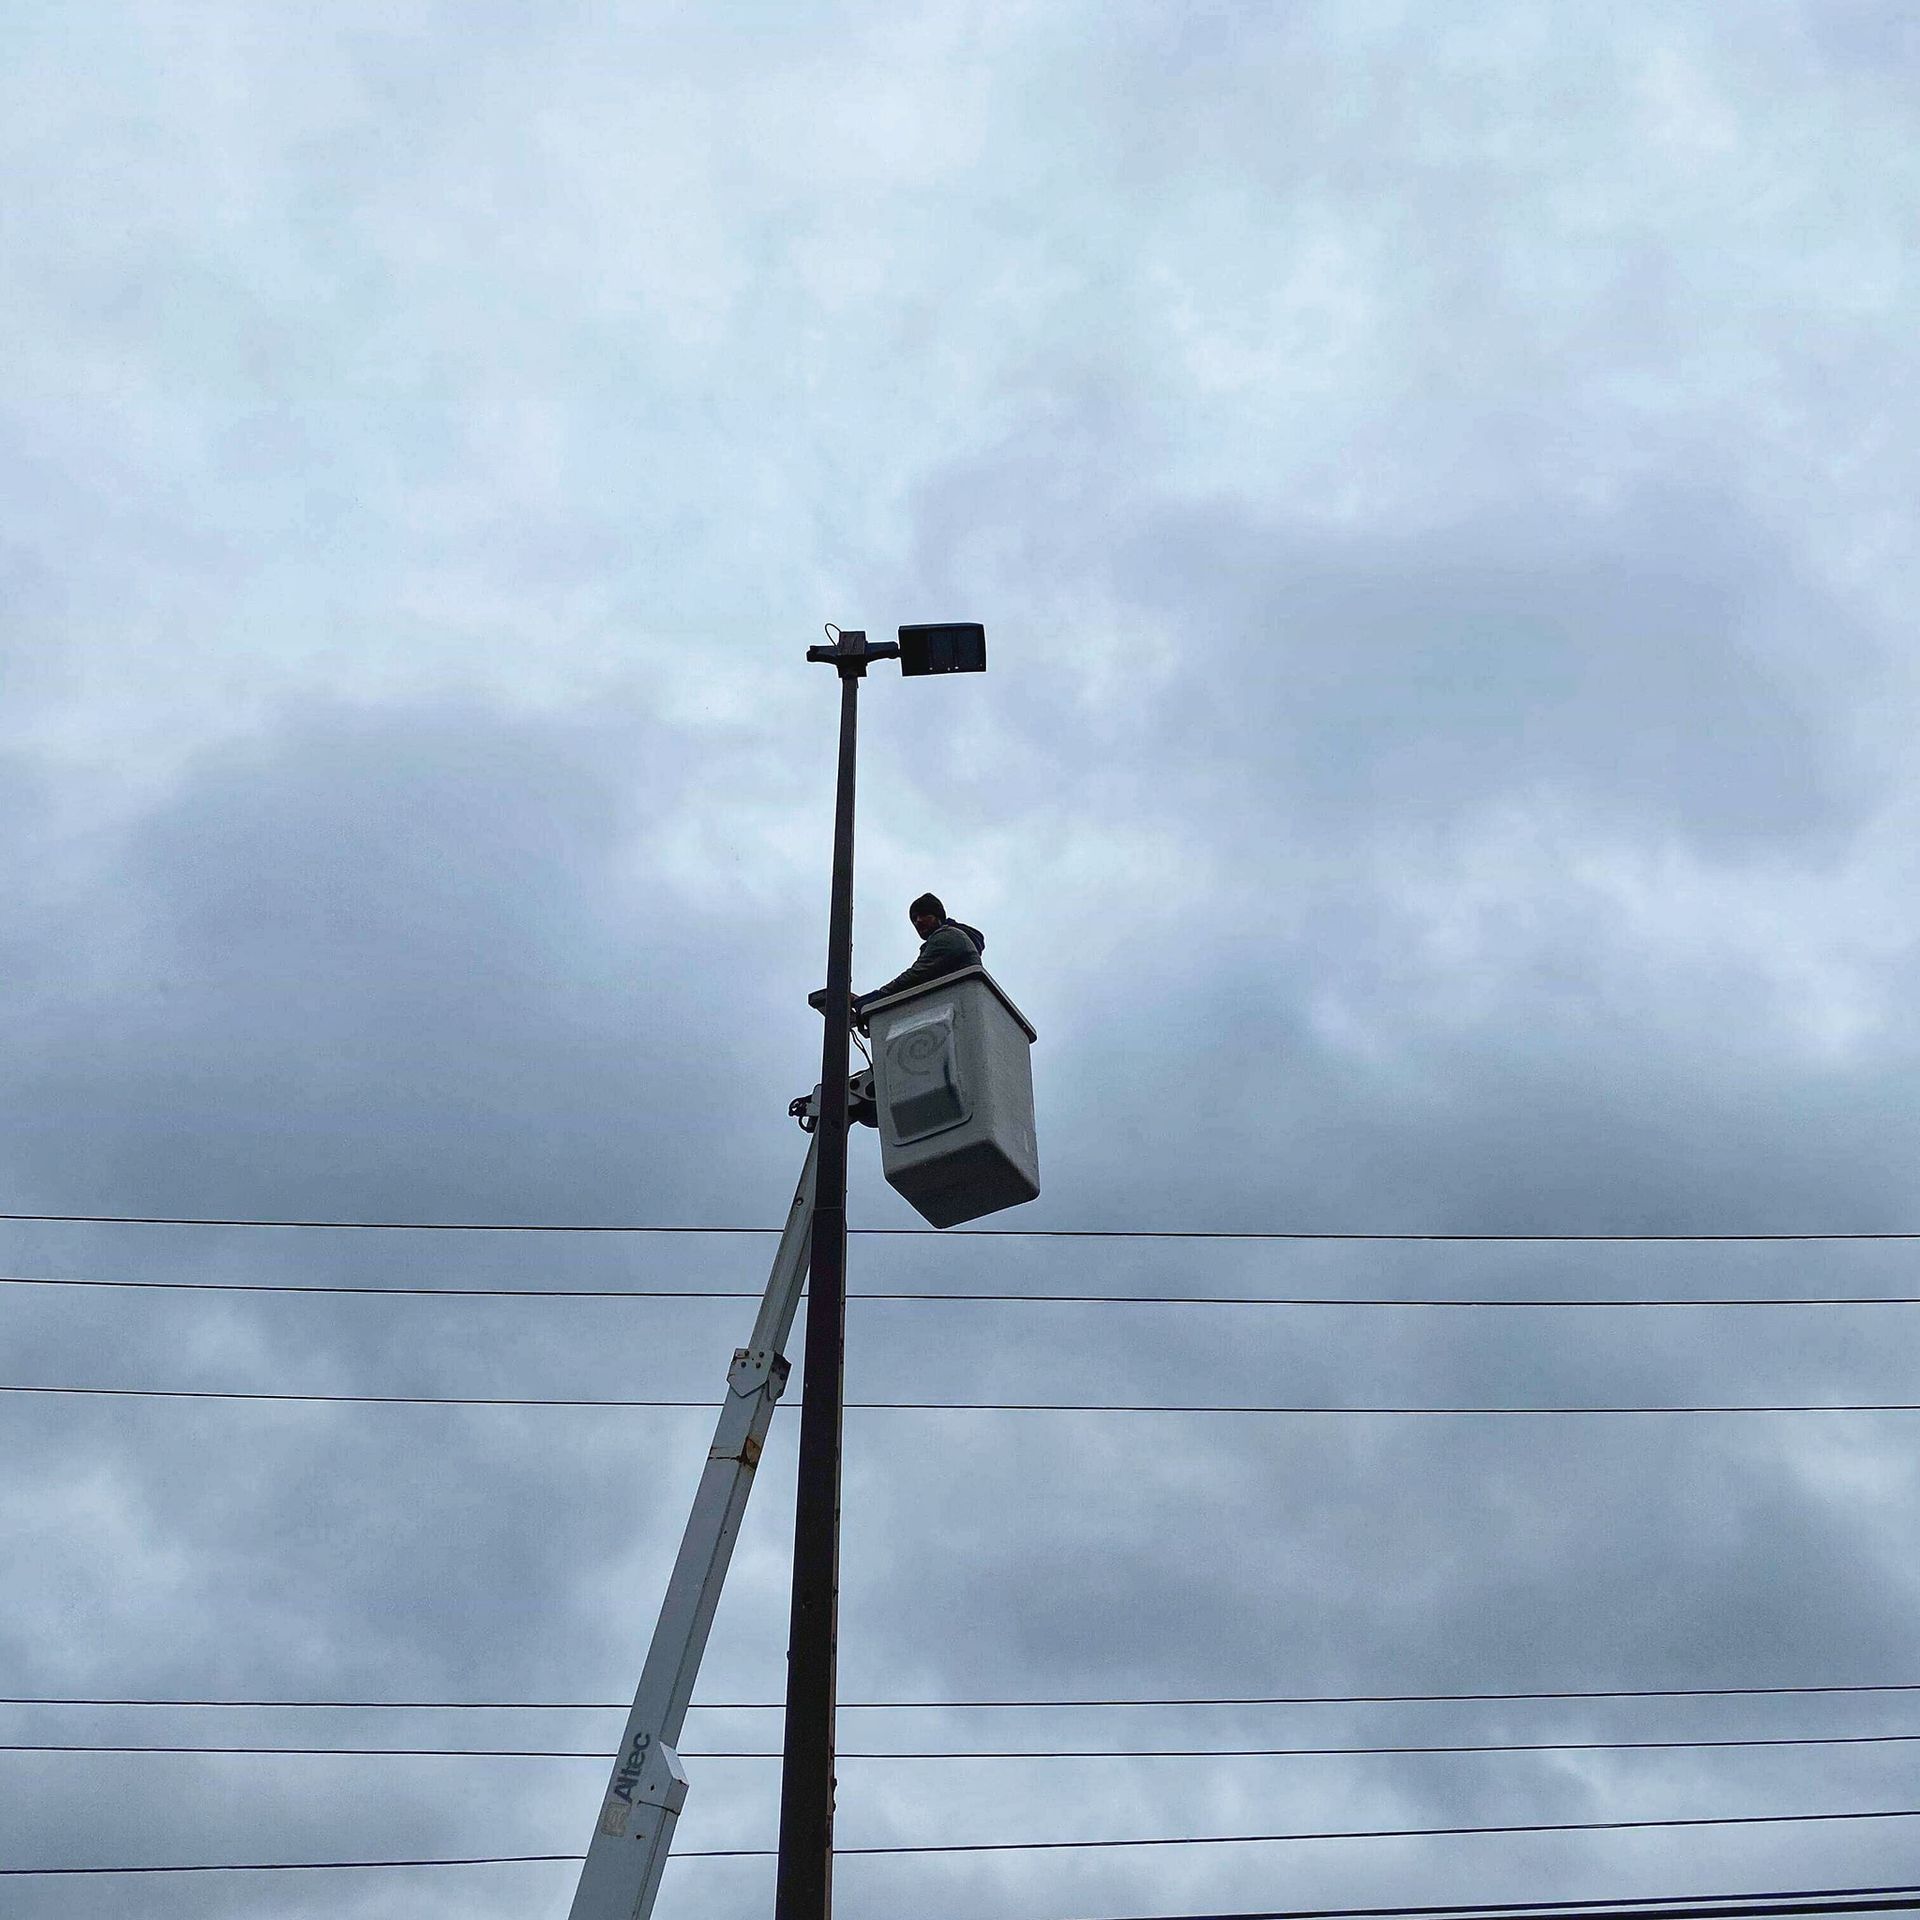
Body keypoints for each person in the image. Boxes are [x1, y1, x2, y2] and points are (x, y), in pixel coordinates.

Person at [809, 894, 985, 1019]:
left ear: (938, 916)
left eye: (924, 915)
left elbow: (915, 977)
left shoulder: (947, 937)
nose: (918, 921)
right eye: (914, 918)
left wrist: (870, 1001)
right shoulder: (951, 939)